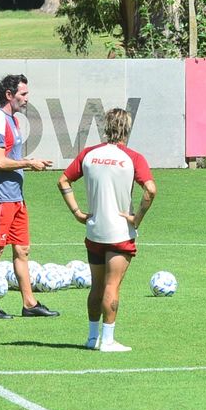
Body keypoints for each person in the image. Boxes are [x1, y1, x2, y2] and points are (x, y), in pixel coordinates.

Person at [59, 108, 158, 352]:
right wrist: (137, 218)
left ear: (106, 127)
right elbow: (151, 190)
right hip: (120, 232)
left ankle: (92, 338)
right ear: (127, 128)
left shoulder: (89, 154)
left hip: (94, 230)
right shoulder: (133, 157)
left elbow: (63, 180)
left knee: (97, 285)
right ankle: (109, 340)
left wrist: (77, 212)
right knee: (112, 286)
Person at [0, 74, 58, 319]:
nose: (26, 99)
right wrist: (28, 162)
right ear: (9, 95)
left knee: (22, 250)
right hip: (1, 198)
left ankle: (29, 303)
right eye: (23, 95)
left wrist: (27, 163)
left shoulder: (13, 121)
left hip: (16, 197)